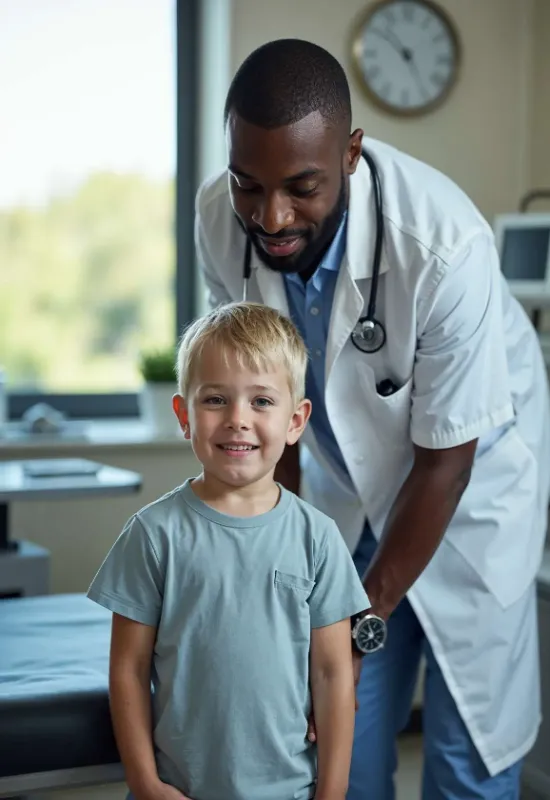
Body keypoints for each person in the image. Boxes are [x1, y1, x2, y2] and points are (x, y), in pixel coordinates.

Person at [194, 37, 550, 800]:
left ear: (351, 154)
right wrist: (277, 571)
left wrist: (359, 622)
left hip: (470, 503)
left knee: (466, 765)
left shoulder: (445, 246)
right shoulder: (220, 221)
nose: (271, 216)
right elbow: (265, 414)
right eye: (247, 185)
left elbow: (447, 462)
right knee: (339, 757)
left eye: (301, 187)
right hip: (346, 499)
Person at [87, 301, 369, 800]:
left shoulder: (318, 539)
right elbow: (127, 671)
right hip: (179, 789)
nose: (238, 420)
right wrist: (145, 782)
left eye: (262, 401)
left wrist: (332, 793)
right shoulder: (153, 535)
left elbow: (331, 674)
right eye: (215, 400)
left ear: (296, 420)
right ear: (183, 414)